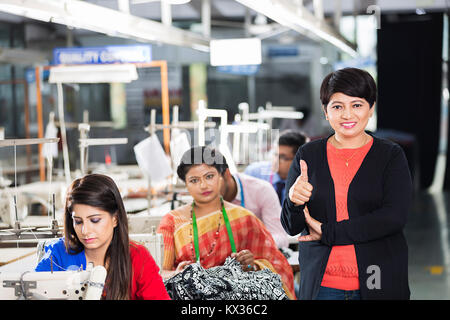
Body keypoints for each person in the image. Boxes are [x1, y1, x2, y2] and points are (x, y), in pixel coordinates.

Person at [281, 67, 413, 300]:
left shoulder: (390, 156)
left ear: (371, 108)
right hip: (323, 285)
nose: (347, 115)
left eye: (357, 105)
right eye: (337, 106)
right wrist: (293, 201)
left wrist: (329, 232)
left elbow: (393, 218)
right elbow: (291, 226)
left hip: (377, 279)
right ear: (325, 111)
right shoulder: (308, 155)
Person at [157, 146, 296, 299]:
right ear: (186, 185)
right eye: (194, 180)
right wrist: (178, 275)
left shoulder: (244, 218)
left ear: (222, 176)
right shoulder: (172, 222)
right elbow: (158, 274)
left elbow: (278, 265)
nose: (203, 185)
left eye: (209, 176)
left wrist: (252, 265)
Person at [35, 173, 170, 300]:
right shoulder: (58, 253)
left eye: (94, 220)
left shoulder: (137, 257)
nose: (85, 230)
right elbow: (33, 291)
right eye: (78, 221)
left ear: (115, 218)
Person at [220, 166, 290, 248]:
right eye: (200, 180)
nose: (204, 186)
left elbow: (280, 237)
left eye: (210, 177)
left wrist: (256, 246)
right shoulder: (203, 198)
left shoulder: (261, 190)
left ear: (227, 173)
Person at [245, 130, 308, 205]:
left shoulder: (305, 184)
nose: (276, 160)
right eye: (275, 154)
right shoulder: (254, 173)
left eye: (283, 157)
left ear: (298, 161)